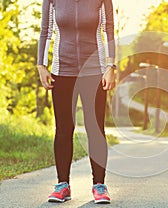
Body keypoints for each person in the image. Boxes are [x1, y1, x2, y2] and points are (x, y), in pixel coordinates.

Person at [37, 0, 116, 204]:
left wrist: (111, 66)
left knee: (95, 128)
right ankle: (62, 185)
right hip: (62, 71)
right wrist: (41, 65)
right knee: (63, 129)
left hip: (94, 71)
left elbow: (108, 30)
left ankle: (99, 185)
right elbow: (45, 30)